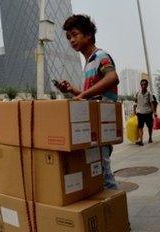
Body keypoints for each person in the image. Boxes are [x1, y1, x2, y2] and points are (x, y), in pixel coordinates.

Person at [56, 14, 119, 189]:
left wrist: (82, 95)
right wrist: (73, 91)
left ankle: (117, 214)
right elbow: (92, 95)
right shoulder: (89, 63)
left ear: (88, 34)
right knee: (99, 174)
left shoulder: (100, 56)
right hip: (94, 126)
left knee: (105, 176)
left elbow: (113, 77)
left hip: (102, 125)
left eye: (75, 34)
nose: (71, 40)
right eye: (69, 37)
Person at [133, 79, 157, 146]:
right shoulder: (138, 93)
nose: (143, 86)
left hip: (148, 113)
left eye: (144, 84)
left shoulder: (149, 94)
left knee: (150, 126)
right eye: (142, 84)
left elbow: (152, 104)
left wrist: (154, 112)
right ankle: (141, 140)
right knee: (140, 127)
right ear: (140, 85)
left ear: (147, 85)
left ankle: (150, 138)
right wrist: (134, 111)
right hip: (140, 113)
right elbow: (135, 102)